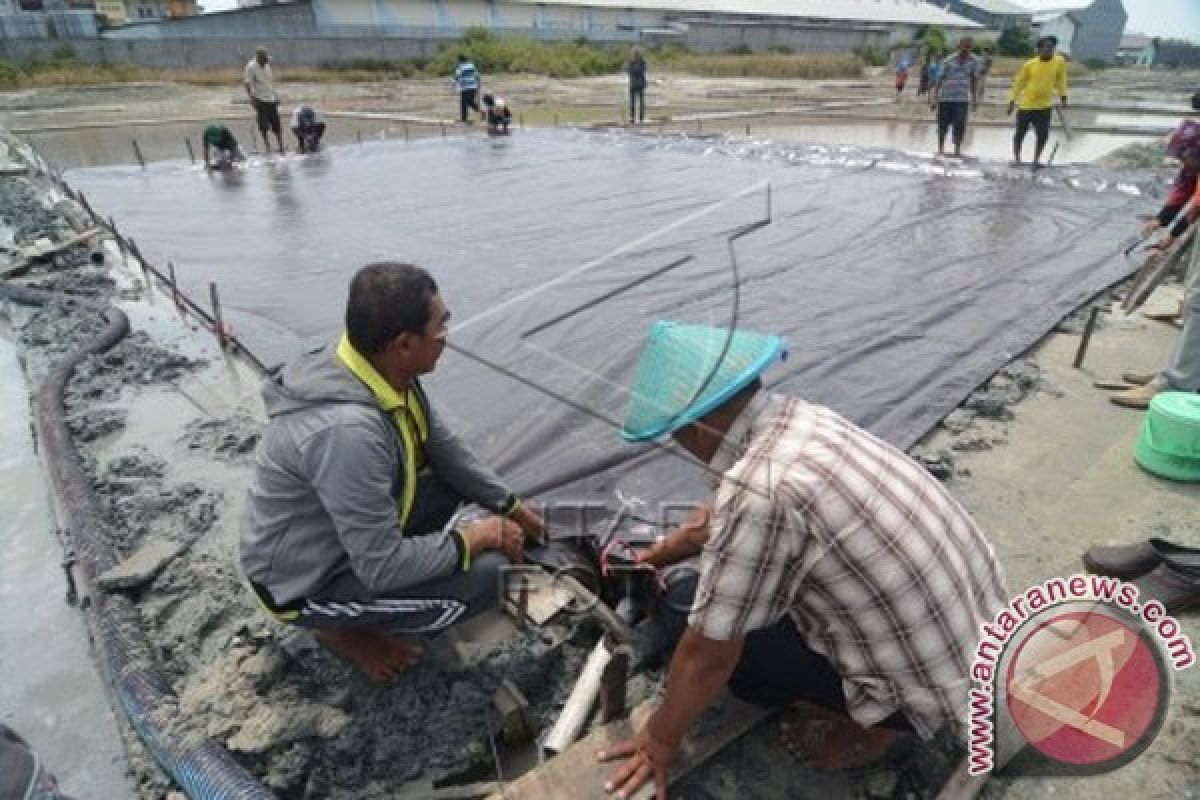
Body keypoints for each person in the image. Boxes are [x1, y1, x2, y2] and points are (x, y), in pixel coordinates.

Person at [599, 321, 1007, 797]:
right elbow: (720, 518)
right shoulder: (799, 421)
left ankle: (873, 726)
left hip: (928, 687)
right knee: (721, 591)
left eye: (676, 434)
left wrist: (659, 740)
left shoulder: (759, 493)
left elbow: (709, 655)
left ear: (693, 426)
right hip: (983, 633)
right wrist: (660, 554)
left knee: (685, 611)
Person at [240, 262, 545, 682]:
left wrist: (510, 507)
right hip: (305, 582)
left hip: (345, 540)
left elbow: (444, 448)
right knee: (490, 578)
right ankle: (340, 630)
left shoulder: (378, 368)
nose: (446, 338)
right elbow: (380, 567)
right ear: (404, 343)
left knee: (449, 486)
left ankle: (376, 608)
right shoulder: (347, 432)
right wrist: (475, 538)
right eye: (441, 328)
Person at [1008, 36, 1068, 169]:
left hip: (1044, 106)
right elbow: (1019, 82)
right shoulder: (1030, 64)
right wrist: (1012, 99)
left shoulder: (1059, 61)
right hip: (1027, 105)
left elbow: (1061, 79)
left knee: (1042, 135)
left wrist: (1063, 95)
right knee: (1020, 133)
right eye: (1046, 47)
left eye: (1052, 47)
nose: (1049, 50)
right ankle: (1017, 158)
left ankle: (1036, 160)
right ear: (1039, 49)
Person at [931, 37, 979, 158]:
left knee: (960, 124)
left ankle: (957, 149)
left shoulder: (974, 61)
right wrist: (934, 97)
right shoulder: (948, 61)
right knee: (943, 124)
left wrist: (974, 99)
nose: (966, 50)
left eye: (969, 47)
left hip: (962, 99)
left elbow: (974, 80)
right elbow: (939, 80)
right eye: (964, 47)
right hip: (946, 98)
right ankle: (940, 148)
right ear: (958, 47)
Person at [244, 46, 285, 155]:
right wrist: (252, 99)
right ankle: (268, 147)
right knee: (263, 126)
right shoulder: (251, 67)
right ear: (258, 58)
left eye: (267, 60)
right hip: (260, 100)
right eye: (264, 60)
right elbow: (247, 83)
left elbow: (270, 83)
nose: (266, 62)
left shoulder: (267, 65)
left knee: (277, 124)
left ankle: (281, 146)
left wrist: (276, 96)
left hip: (271, 99)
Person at [454, 54, 482, 124]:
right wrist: (478, 84)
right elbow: (477, 75)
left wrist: (454, 84)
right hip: (473, 86)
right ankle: (464, 119)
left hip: (465, 87)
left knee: (466, 102)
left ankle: (481, 112)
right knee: (466, 102)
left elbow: (457, 76)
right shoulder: (472, 65)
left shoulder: (459, 66)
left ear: (459, 60)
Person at [628, 48, 647, 124]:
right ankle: (632, 118)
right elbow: (630, 71)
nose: (636, 56)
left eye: (637, 54)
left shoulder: (642, 62)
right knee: (632, 102)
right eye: (635, 54)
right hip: (634, 84)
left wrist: (635, 71)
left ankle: (641, 118)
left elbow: (642, 71)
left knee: (641, 102)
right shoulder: (632, 62)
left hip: (639, 84)